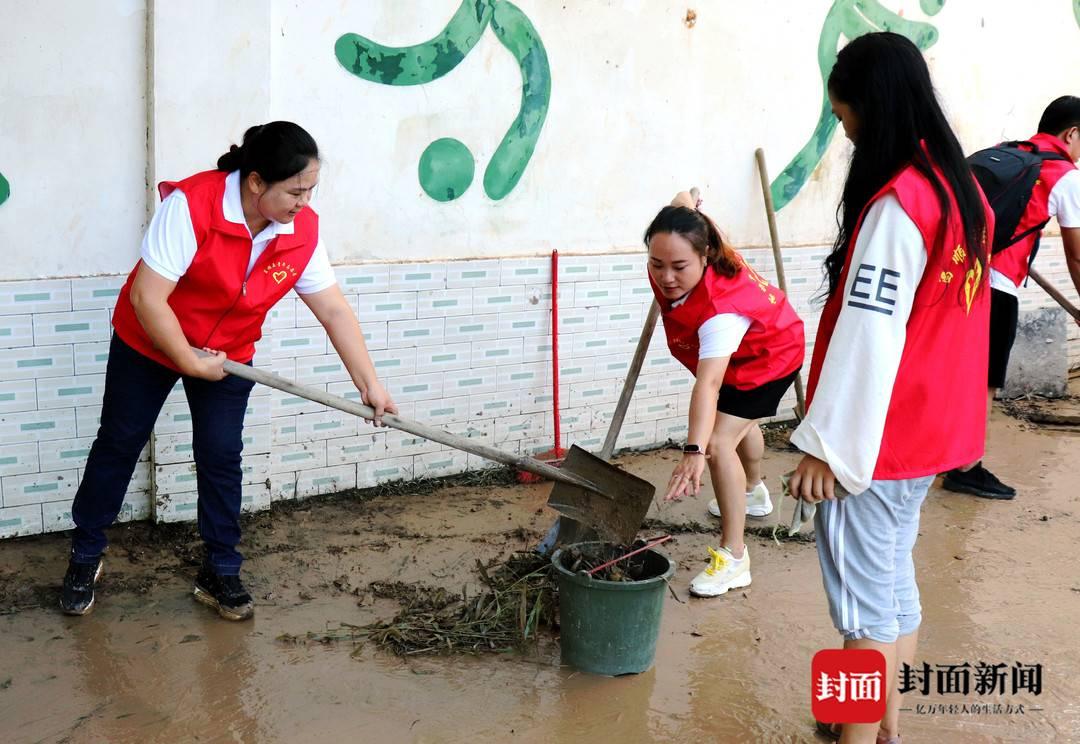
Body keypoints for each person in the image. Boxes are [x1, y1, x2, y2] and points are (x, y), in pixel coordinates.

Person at [60, 122, 397, 620]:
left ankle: (220, 569)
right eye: (295, 191)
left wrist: (370, 385)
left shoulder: (300, 230)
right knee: (119, 441)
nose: (304, 203)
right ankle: (85, 555)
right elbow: (147, 299)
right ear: (256, 181)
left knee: (220, 455)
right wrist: (188, 359)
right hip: (149, 340)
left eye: (311, 190)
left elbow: (333, 311)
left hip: (229, 351)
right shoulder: (192, 206)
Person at [787, 33, 993, 744]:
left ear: (869, 107)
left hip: (880, 445)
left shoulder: (898, 206)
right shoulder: (960, 190)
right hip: (933, 434)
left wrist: (830, 447)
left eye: (844, 116)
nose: (843, 130)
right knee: (893, 593)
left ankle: (856, 733)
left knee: (863, 616)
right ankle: (885, 730)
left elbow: (869, 340)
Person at [646, 196, 805, 598]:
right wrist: (688, 200)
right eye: (656, 263)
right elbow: (683, 200)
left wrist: (694, 450)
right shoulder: (686, 241)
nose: (666, 277)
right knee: (735, 426)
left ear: (706, 256)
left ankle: (734, 558)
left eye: (679, 267)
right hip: (742, 356)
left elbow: (708, 386)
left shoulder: (721, 310)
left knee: (718, 442)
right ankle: (752, 491)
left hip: (770, 358)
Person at [943, 95, 1080, 500]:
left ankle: (940, 455)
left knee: (953, 374)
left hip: (954, 278)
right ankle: (966, 468)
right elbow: (1077, 254)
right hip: (996, 290)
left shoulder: (1010, 154)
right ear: (1071, 133)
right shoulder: (1065, 176)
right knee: (983, 383)